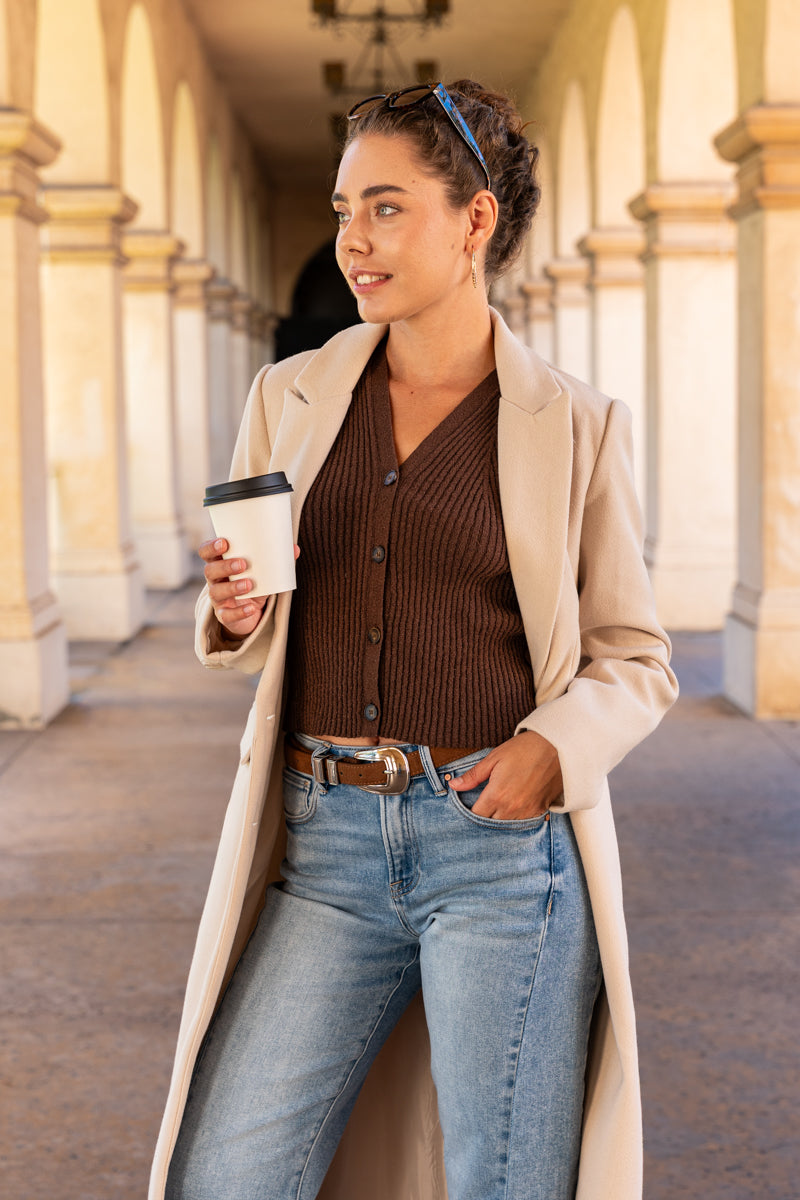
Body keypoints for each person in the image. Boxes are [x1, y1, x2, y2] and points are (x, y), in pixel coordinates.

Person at [152, 80, 678, 1200]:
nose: (353, 240)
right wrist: (236, 608)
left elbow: (634, 655)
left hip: (499, 856)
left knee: (504, 1182)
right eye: (344, 211)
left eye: (386, 208)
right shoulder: (290, 394)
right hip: (325, 848)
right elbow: (255, 602)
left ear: (474, 219)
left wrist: (552, 750)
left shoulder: (576, 423)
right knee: (228, 1174)